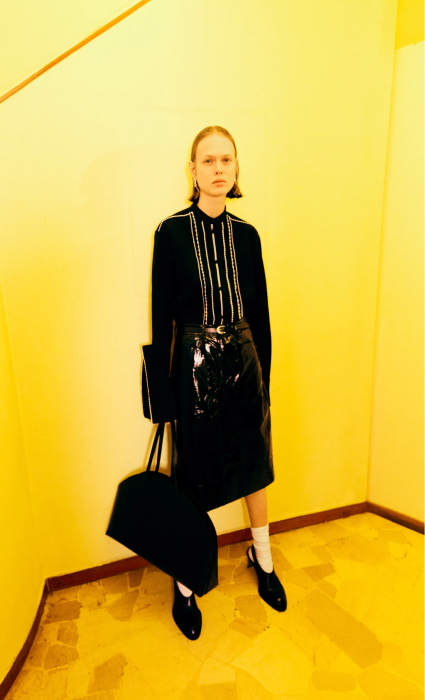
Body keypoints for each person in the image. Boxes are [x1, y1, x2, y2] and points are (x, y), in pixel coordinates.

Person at [146, 126, 287, 640]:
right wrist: (163, 394)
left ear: (236, 168)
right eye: (208, 160)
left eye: (226, 159)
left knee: (256, 464)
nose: (218, 168)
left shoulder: (247, 236)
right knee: (191, 473)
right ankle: (186, 582)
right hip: (191, 364)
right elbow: (161, 317)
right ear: (193, 170)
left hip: (245, 362)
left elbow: (261, 314)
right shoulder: (169, 232)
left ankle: (263, 558)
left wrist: (264, 378)